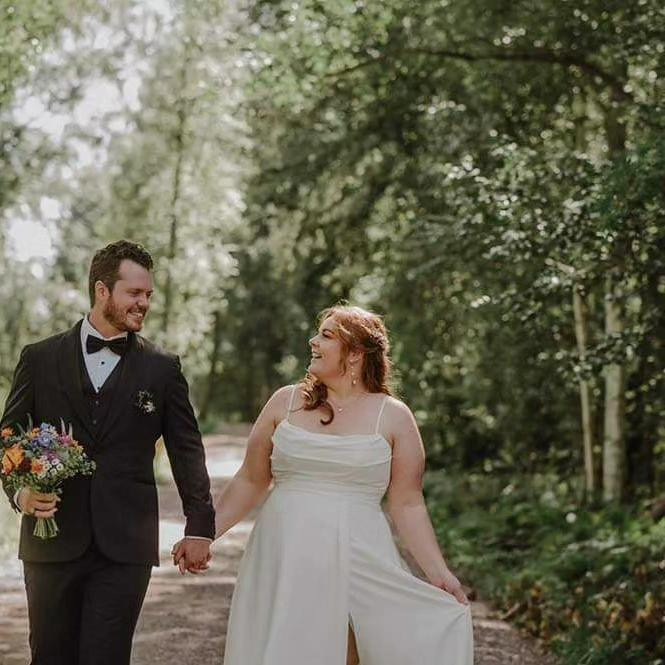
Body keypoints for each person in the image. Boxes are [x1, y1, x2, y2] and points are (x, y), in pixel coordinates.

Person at [173, 303, 474, 664]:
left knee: (354, 649)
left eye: (327, 336)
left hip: (361, 553)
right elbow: (251, 479)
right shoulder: (285, 402)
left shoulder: (394, 416)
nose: (313, 341)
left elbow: (407, 503)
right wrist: (204, 534)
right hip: (285, 547)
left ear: (356, 353)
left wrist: (439, 574)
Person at [1, 240, 215, 665]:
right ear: (102, 290)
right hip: (51, 541)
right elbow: (8, 437)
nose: (144, 303)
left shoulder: (162, 368)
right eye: (134, 293)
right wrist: (20, 494)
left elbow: (186, 449)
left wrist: (200, 527)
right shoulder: (39, 359)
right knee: (50, 656)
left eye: (148, 294)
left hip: (126, 544)